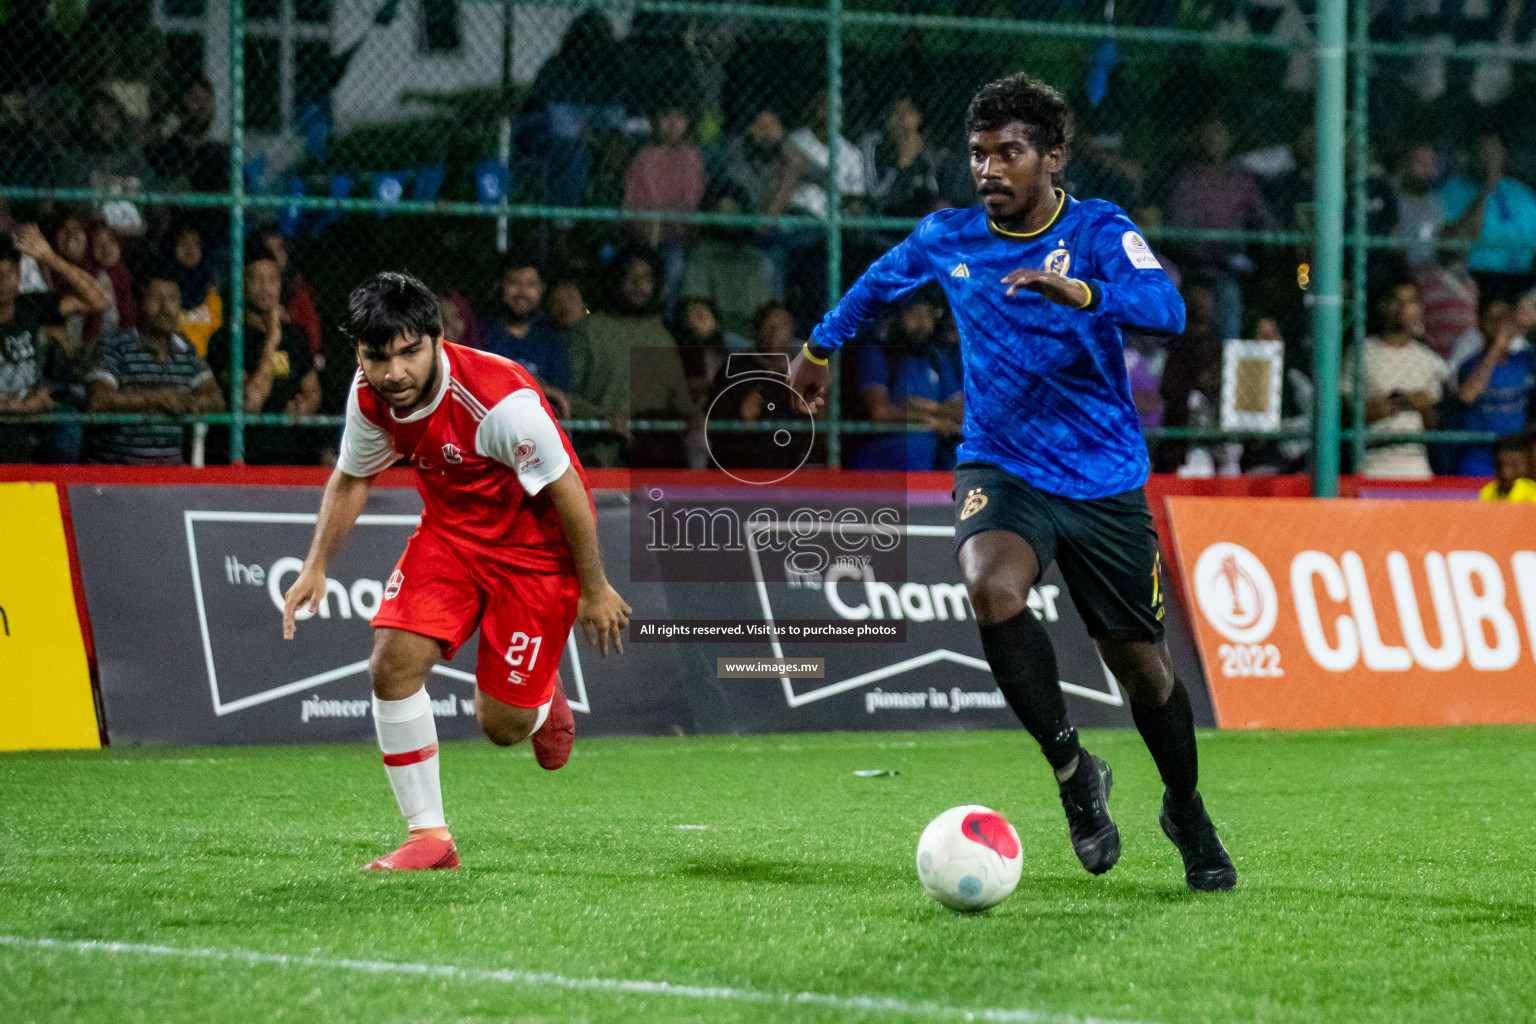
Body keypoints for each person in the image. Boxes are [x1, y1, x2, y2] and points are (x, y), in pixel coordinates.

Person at [787, 72, 1235, 893]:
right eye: (979, 154)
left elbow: (1168, 307)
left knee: (1145, 671)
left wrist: (1087, 292)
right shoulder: (948, 236)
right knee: (989, 586)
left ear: (1053, 159)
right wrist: (818, 350)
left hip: (1102, 479)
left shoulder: (1098, 228)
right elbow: (876, 284)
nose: (989, 169)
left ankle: (1186, 808)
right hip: (1001, 462)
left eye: (1010, 153)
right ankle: (1073, 773)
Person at [279, 272, 631, 871]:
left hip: (536, 548)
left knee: (501, 725)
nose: (394, 374)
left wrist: (593, 589)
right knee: (390, 666)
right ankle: (430, 838)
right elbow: (353, 474)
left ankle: (541, 701)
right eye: (377, 356)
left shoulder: (500, 402)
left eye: (409, 352)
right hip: (452, 535)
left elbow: (569, 490)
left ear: (438, 339)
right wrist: (316, 566)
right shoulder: (369, 395)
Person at [84, 262, 225, 465]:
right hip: (117, 474)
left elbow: (215, 399)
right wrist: (154, 399)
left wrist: (187, 403)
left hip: (170, 474)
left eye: (172, 299)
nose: (166, 308)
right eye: (156, 298)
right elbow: (97, 400)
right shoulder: (116, 344)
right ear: (139, 302)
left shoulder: (184, 347)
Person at [566, 249, 697, 468]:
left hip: (653, 457)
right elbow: (565, 396)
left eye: (646, 278)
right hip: (597, 454)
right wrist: (604, 418)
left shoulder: (662, 338)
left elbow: (679, 402)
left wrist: (695, 416)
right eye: (631, 276)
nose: (639, 284)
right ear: (616, 280)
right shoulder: (588, 331)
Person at [0, 227, 109, 461]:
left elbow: (98, 298)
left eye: (10, 273)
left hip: (28, 419)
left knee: (67, 425)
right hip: (14, 413)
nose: (3, 281)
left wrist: (49, 257)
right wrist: (15, 407)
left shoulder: (28, 306)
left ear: (19, 276)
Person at [206, 253, 322, 465]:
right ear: (242, 283)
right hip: (245, 455)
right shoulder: (227, 338)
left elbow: (313, 390)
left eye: (272, 279)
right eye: (256, 279)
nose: (265, 287)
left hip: (291, 455)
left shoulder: (295, 337)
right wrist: (271, 340)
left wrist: (304, 407)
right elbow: (249, 403)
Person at [1341, 279, 1447, 479]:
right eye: (1396, 301)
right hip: (1372, 462)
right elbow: (1344, 413)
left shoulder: (1428, 359)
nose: (1403, 308)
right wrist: (1375, 411)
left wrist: (1422, 407)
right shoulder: (1360, 352)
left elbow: (1434, 426)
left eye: (1411, 302)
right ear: (1383, 305)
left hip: (1415, 464)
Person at [847, 293, 963, 471]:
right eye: (914, 313)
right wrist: (930, 421)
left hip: (920, 477)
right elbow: (880, 412)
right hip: (874, 475)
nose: (922, 323)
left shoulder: (936, 360)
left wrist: (924, 407)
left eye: (928, 315)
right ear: (899, 316)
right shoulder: (879, 354)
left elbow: (961, 412)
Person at [1441, 133, 1536, 300]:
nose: (1490, 158)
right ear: (1472, 156)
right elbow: (1463, 237)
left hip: (1520, 277)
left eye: (1495, 152)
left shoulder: (1521, 194)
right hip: (1474, 276)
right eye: (1484, 153)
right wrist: (1485, 188)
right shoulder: (1454, 190)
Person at [478, 257, 573, 415]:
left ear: (542, 289)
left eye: (531, 285)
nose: (522, 292)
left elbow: (562, 397)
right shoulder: (484, 333)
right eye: (514, 283)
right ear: (502, 286)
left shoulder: (551, 340)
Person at [1456, 297, 1535, 477]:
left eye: (1504, 318)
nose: (1500, 325)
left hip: (1515, 460)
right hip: (1478, 462)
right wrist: (1498, 346)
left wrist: (1530, 323)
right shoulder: (1470, 365)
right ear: (1480, 323)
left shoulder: (1524, 361)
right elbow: (1468, 395)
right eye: (1493, 319)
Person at [164, 220, 222, 356]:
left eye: (195, 244)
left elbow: (217, 330)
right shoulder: (165, 287)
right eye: (183, 243)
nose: (190, 249)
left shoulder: (210, 286)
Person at [1478, 433, 1536, 501]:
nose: (1506, 473)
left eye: (1515, 466)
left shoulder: (1529, 491)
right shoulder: (1487, 492)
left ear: (1528, 464)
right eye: (1501, 465)